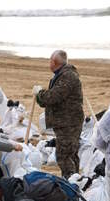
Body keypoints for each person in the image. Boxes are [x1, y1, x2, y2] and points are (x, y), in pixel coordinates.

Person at [33, 50, 84, 178]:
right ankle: (74, 181)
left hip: (69, 123)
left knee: (65, 155)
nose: (49, 63)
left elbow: (53, 96)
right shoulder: (62, 75)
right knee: (69, 154)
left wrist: (39, 94)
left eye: (50, 61)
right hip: (66, 122)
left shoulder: (68, 76)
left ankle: (71, 183)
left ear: (54, 62)